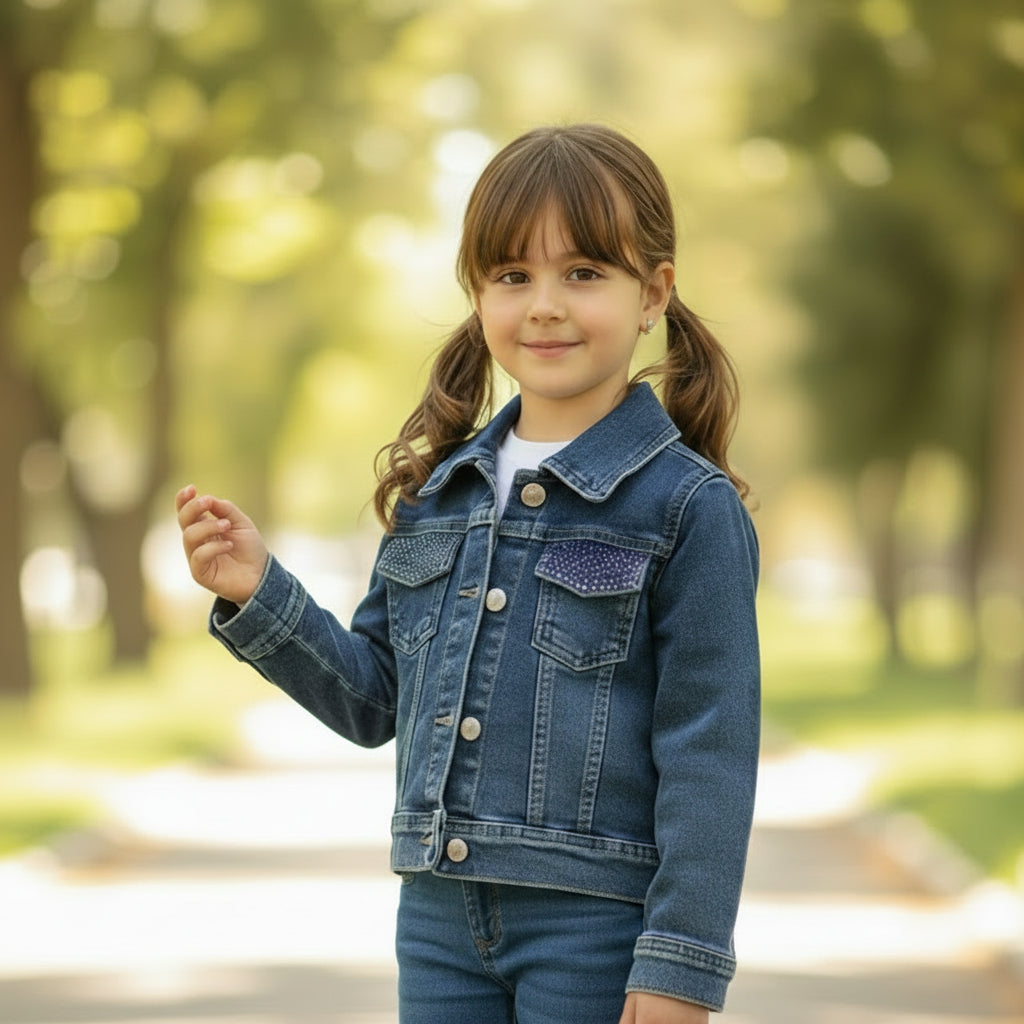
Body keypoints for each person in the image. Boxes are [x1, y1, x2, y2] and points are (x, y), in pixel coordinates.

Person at [176, 123, 760, 1024]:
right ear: (478, 295)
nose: (545, 306)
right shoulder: (440, 492)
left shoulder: (688, 508)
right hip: (438, 925)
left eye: (584, 273)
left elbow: (709, 755)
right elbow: (374, 700)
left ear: (654, 294)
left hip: (595, 931)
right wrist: (261, 593)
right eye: (513, 276)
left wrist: (681, 963)